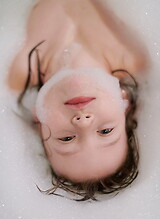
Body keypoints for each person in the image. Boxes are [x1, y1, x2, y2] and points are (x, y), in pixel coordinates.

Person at [8, 0, 147, 200]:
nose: (83, 122)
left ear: (38, 119)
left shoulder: (17, 72)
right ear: (124, 103)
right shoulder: (133, 54)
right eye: (106, 131)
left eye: (67, 138)